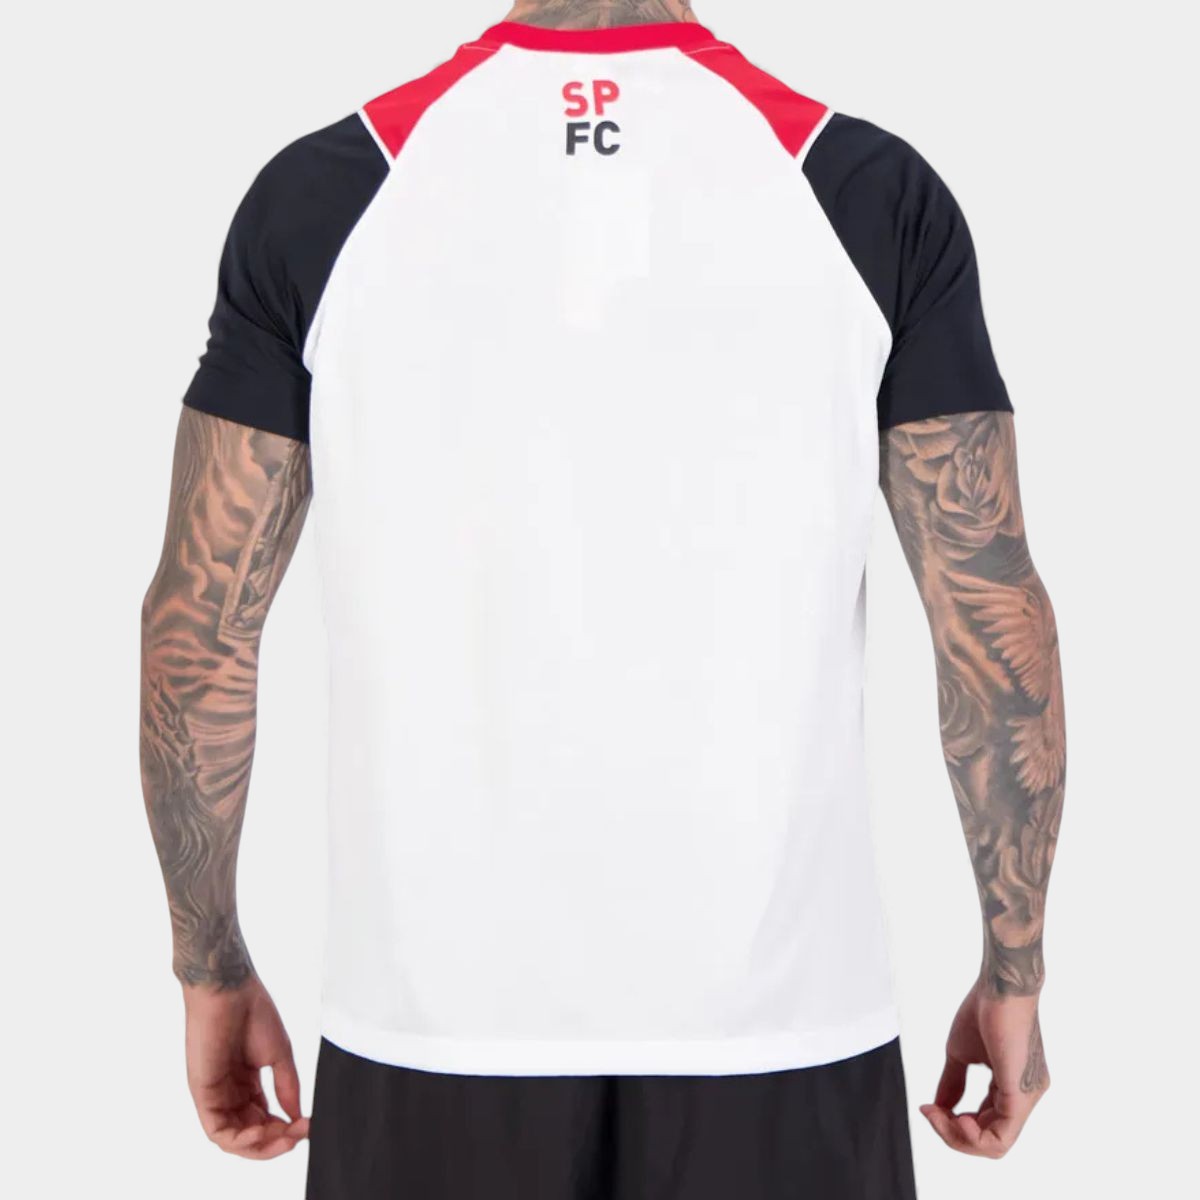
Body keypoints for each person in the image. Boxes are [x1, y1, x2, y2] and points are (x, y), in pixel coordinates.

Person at [140, 2, 1064, 1195]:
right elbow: (991, 613)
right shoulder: (865, 189)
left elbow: (198, 629)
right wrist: (1015, 967)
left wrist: (208, 963)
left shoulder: (328, 192)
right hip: (784, 1029)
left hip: (431, 1026)